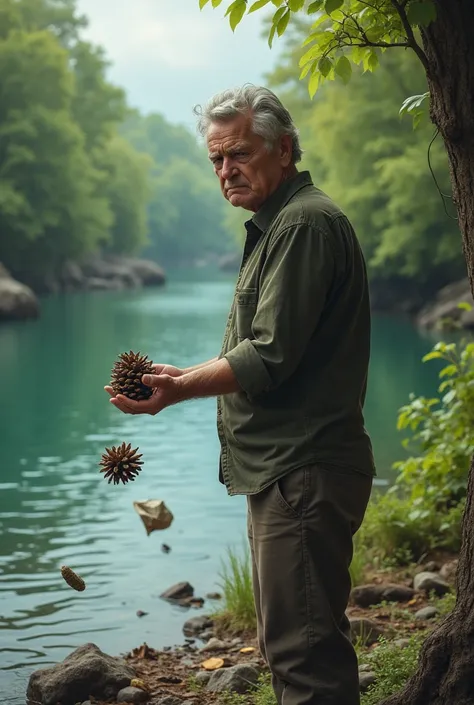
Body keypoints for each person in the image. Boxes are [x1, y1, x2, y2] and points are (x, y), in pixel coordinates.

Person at [105, 85, 375, 705]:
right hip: (289, 471)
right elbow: (261, 346)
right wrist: (183, 375)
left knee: (302, 659)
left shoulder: (304, 224)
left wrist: (176, 391)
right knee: (298, 643)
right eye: (217, 160)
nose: (227, 170)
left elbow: (268, 355)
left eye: (241, 154)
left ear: (283, 149)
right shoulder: (282, 223)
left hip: (302, 472)